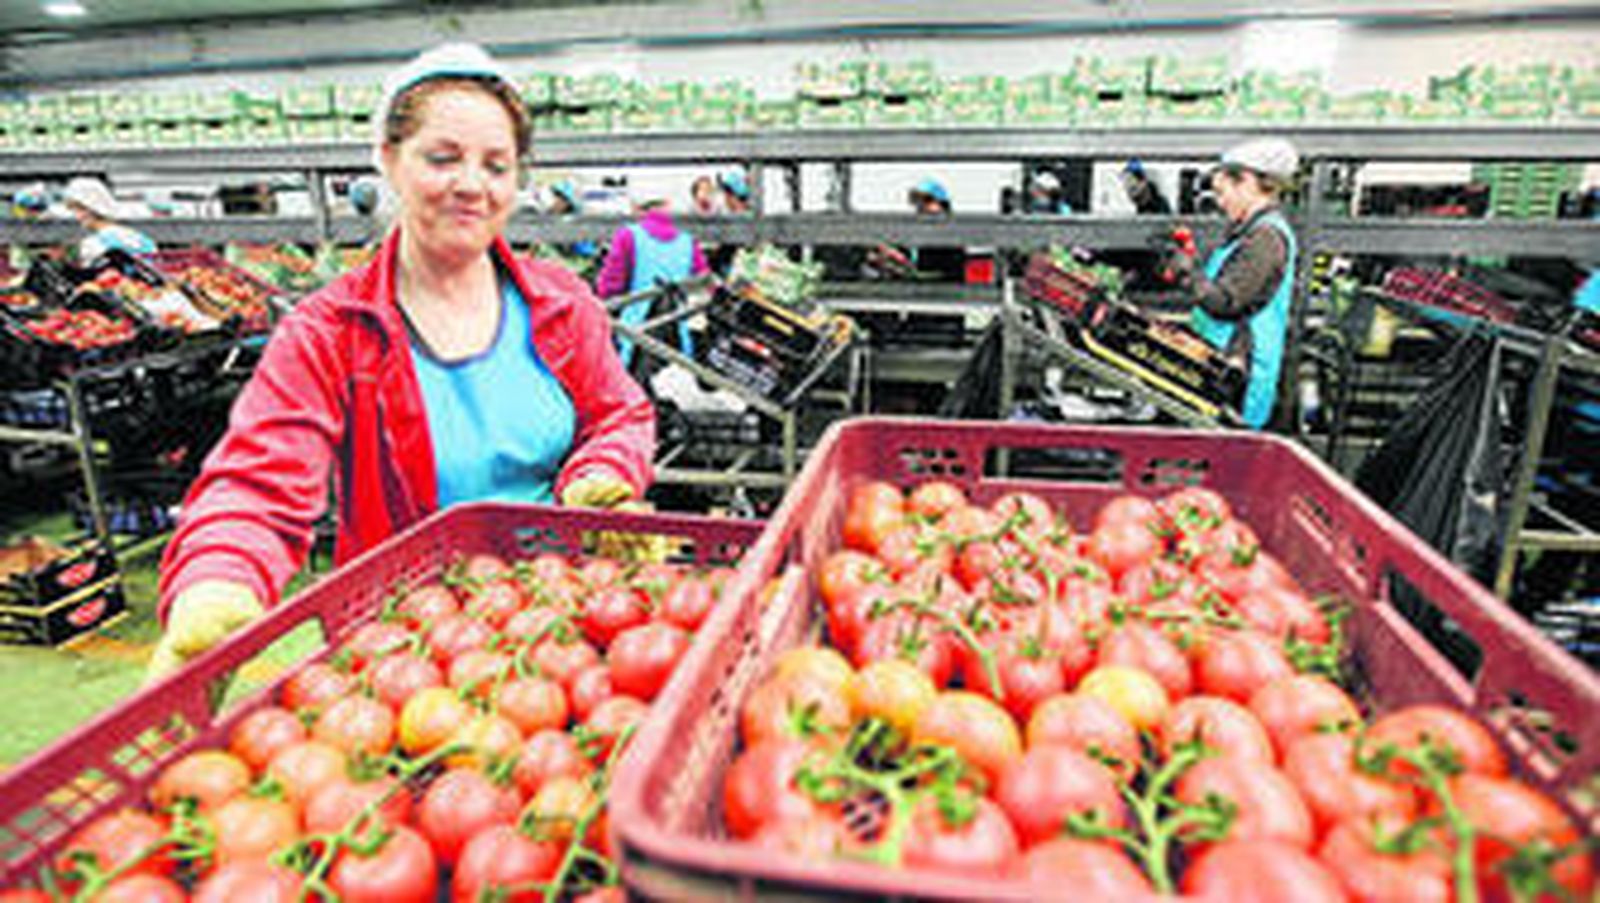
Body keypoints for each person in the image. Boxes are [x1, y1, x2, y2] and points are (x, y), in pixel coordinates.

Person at [147, 43, 655, 679]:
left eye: (497, 166)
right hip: (407, 649)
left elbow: (619, 413)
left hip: (560, 622)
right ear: (388, 160)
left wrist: (601, 473)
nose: (472, 185)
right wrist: (218, 575)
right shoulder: (330, 331)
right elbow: (259, 479)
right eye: (442, 158)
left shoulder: (560, 304)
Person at [1163, 137, 1300, 430]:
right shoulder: (1246, 232)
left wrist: (1188, 273)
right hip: (1217, 362)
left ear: (1248, 182)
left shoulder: (1265, 238)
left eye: (1222, 192)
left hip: (1238, 373)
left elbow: (1226, 301)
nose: (1220, 202)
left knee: (1226, 456)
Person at [596, 197, 709, 366]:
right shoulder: (688, 241)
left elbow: (609, 288)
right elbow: (703, 283)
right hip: (678, 337)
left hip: (633, 336)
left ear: (637, 208)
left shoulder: (628, 235)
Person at [62, 176, 155, 263]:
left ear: (88, 209)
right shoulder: (139, 238)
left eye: (75, 209)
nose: (75, 216)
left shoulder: (94, 244)